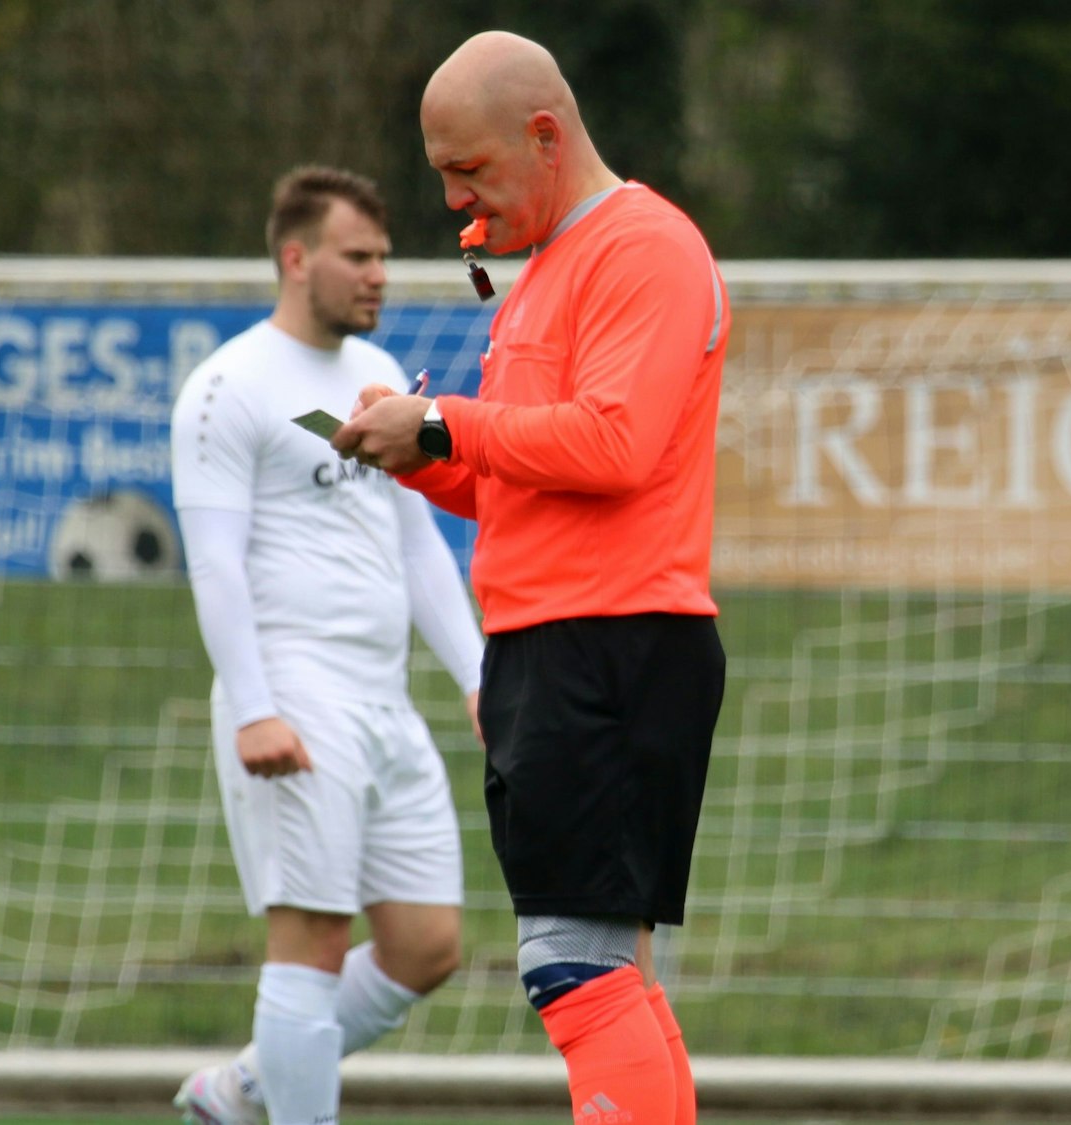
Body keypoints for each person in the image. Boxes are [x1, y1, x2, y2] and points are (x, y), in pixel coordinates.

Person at [332, 30, 729, 1125]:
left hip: (606, 643)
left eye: (469, 170)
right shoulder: (550, 269)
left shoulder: (642, 247)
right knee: (605, 971)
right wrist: (424, 459)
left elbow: (615, 445)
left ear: (543, 137)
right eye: (441, 177)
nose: (456, 198)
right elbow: (531, 475)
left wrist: (448, 419)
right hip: (562, 645)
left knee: (572, 968)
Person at [168, 165, 485, 1125]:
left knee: (428, 943)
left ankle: (243, 1087)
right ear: (297, 258)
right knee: (308, 941)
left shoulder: (375, 383)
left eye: (385, 256)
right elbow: (214, 563)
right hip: (294, 699)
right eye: (359, 255)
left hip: (384, 702)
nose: (379, 274)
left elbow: (417, 542)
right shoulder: (228, 386)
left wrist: (480, 675)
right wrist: (256, 705)